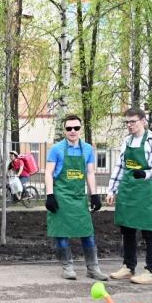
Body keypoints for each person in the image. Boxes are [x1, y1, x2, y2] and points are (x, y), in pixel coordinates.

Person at [106, 108, 152, 284]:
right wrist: (112, 189)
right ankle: (128, 267)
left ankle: (151, 272)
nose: (129, 125)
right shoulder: (126, 141)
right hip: (127, 192)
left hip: (145, 192)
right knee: (127, 230)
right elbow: (120, 166)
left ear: (143, 121)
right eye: (127, 122)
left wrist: (147, 173)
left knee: (150, 232)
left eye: (132, 121)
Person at [44, 114, 108, 280]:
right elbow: (48, 172)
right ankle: (68, 267)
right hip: (61, 196)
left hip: (79, 198)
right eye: (69, 128)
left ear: (80, 129)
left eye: (76, 128)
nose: (72, 131)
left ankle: (93, 268)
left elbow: (90, 172)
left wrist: (95, 195)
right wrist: (50, 195)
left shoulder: (87, 149)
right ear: (64, 130)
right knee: (61, 233)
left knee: (88, 233)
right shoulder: (56, 149)